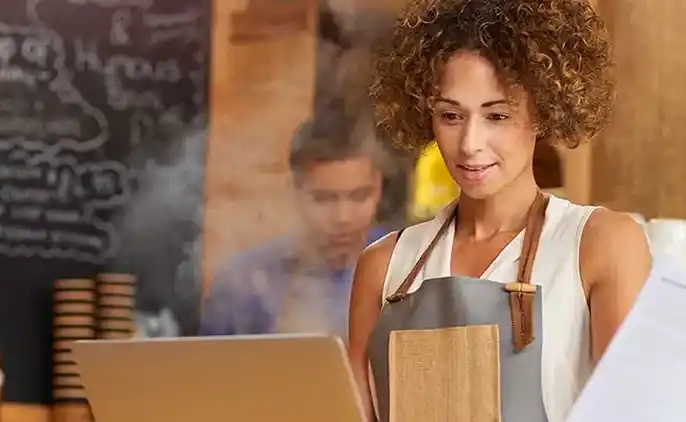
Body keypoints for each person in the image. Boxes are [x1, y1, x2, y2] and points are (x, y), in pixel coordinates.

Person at [348, 1, 652, 421]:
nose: (470, 143)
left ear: (542, 111)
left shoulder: (601, 244)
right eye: (451, 115)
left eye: (497, 116)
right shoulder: (383, 266)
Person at [200, 111, 385, 339]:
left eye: (359, 196)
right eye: (324, 199)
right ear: (295, 190)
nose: (343, 217)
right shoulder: (245, 282)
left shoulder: (406, 269)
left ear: (378, 187)